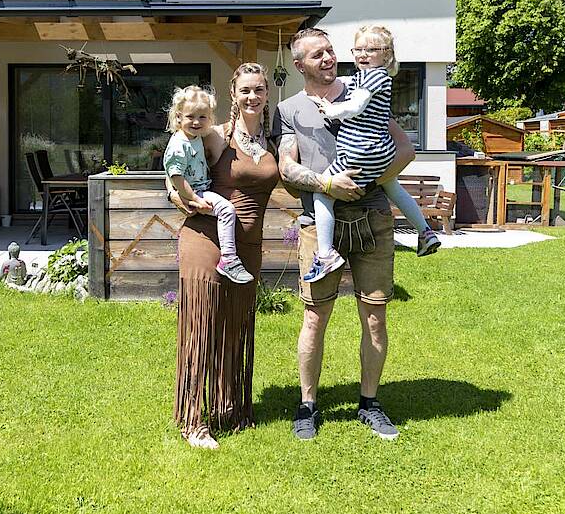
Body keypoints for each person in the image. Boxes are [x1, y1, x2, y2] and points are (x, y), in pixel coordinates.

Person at [272, 28, 414, 442]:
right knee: (315, 317)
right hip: (320, 223)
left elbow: (405, 147)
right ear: (299, 65)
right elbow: (286, 166)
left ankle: (369, 404)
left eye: (330, 50)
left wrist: (373, 181)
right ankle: (308, 405)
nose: (329, 58)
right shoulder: (289, 109)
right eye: (317, 55)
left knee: (375, 315)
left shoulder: (364, 85)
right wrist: (327, 185)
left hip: (372, 217)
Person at [166, 63, 277, 449]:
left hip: (247, 246)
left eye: (259, 89)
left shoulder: (274, 142)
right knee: (204, 325)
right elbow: (174, 166)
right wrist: (180, 198)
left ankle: (230, 406)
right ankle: (194, 420)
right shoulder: (215, 135)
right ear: (234, 94)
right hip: (205, 236)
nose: (252, 96)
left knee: (234, 327)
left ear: (267, 94)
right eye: (245, 90)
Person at [303, 25, 440, 282]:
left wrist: (330, 109)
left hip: (360, 150)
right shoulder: (371, 77)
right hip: (381, 151)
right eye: (359, 49)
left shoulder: (372, 78)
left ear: (386, 55)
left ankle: (325, 254)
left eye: (372, 49)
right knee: (394, 188)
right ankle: (425, 232)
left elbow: (355, 105)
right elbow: (346, 83)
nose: (363, 54)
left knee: (322, 195)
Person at [163, 86, 253, 284]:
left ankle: (228, 258)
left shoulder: (194, 137)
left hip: (201, 190)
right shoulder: (179, 144)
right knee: (227, 210)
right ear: (179, 117)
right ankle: (228, 259)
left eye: (203, 117)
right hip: (196, 192)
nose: (196, 122)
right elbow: (175, 176)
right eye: (190, 116)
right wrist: (194, 199)